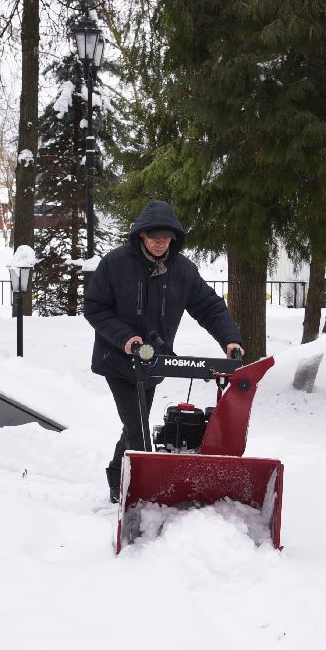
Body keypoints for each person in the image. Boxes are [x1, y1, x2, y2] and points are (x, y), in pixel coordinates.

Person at [85, 200, 245, 502]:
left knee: (136, 423)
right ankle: (145, 496)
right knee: (138, 428)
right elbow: (94, 308)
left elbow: (209, 307)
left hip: (153, 364)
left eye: (166, 236)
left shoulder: (183, 271)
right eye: (154, 236)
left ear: (174, 237)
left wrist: (230, 340)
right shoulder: (116, 263)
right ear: (141, 235)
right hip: (117, 360)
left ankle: (115, 479)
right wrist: (127, 339)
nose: (160, 242)